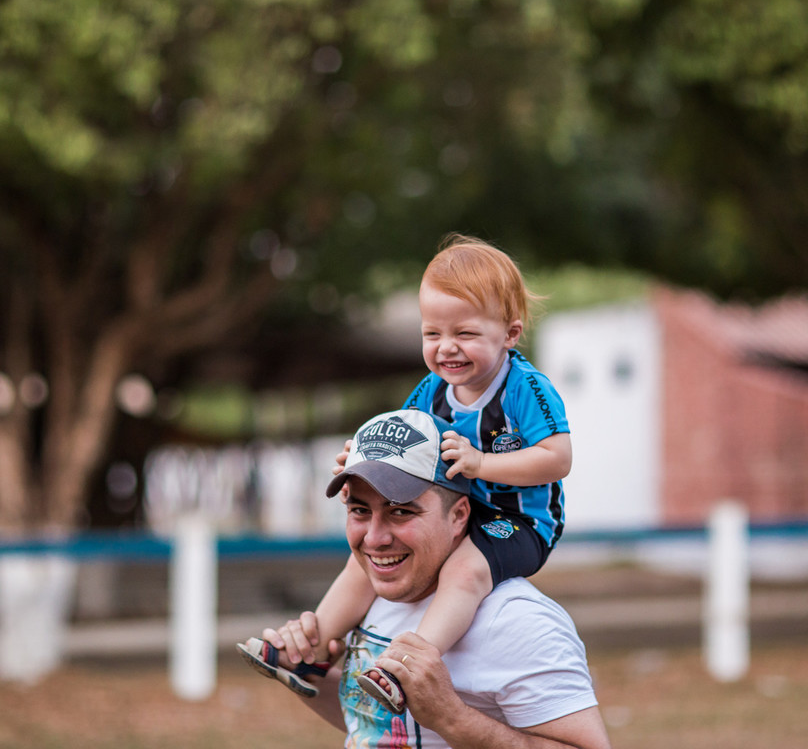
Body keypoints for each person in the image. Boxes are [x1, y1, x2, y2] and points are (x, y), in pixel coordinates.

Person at [248, 408, 610, 749]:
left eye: (401, 511)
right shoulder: (382, 591)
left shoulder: (516, 620)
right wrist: (303, 674)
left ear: (458, 516)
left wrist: (452, 718)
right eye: (360, 510)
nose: (374, 538)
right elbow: (382, 728)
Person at [325, 234, 573, 712]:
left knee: (463, 572)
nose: (447, 348)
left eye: (466, 334)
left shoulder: (526, 388)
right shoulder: (429, 391)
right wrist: (357, 457)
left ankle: (410, 666)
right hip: (456, 512)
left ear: (510, 333)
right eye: (432, 334)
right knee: (366, 557)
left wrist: (483, 463)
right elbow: (401, 441)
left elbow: (558, 458)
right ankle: (311, 645)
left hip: (517, 522)